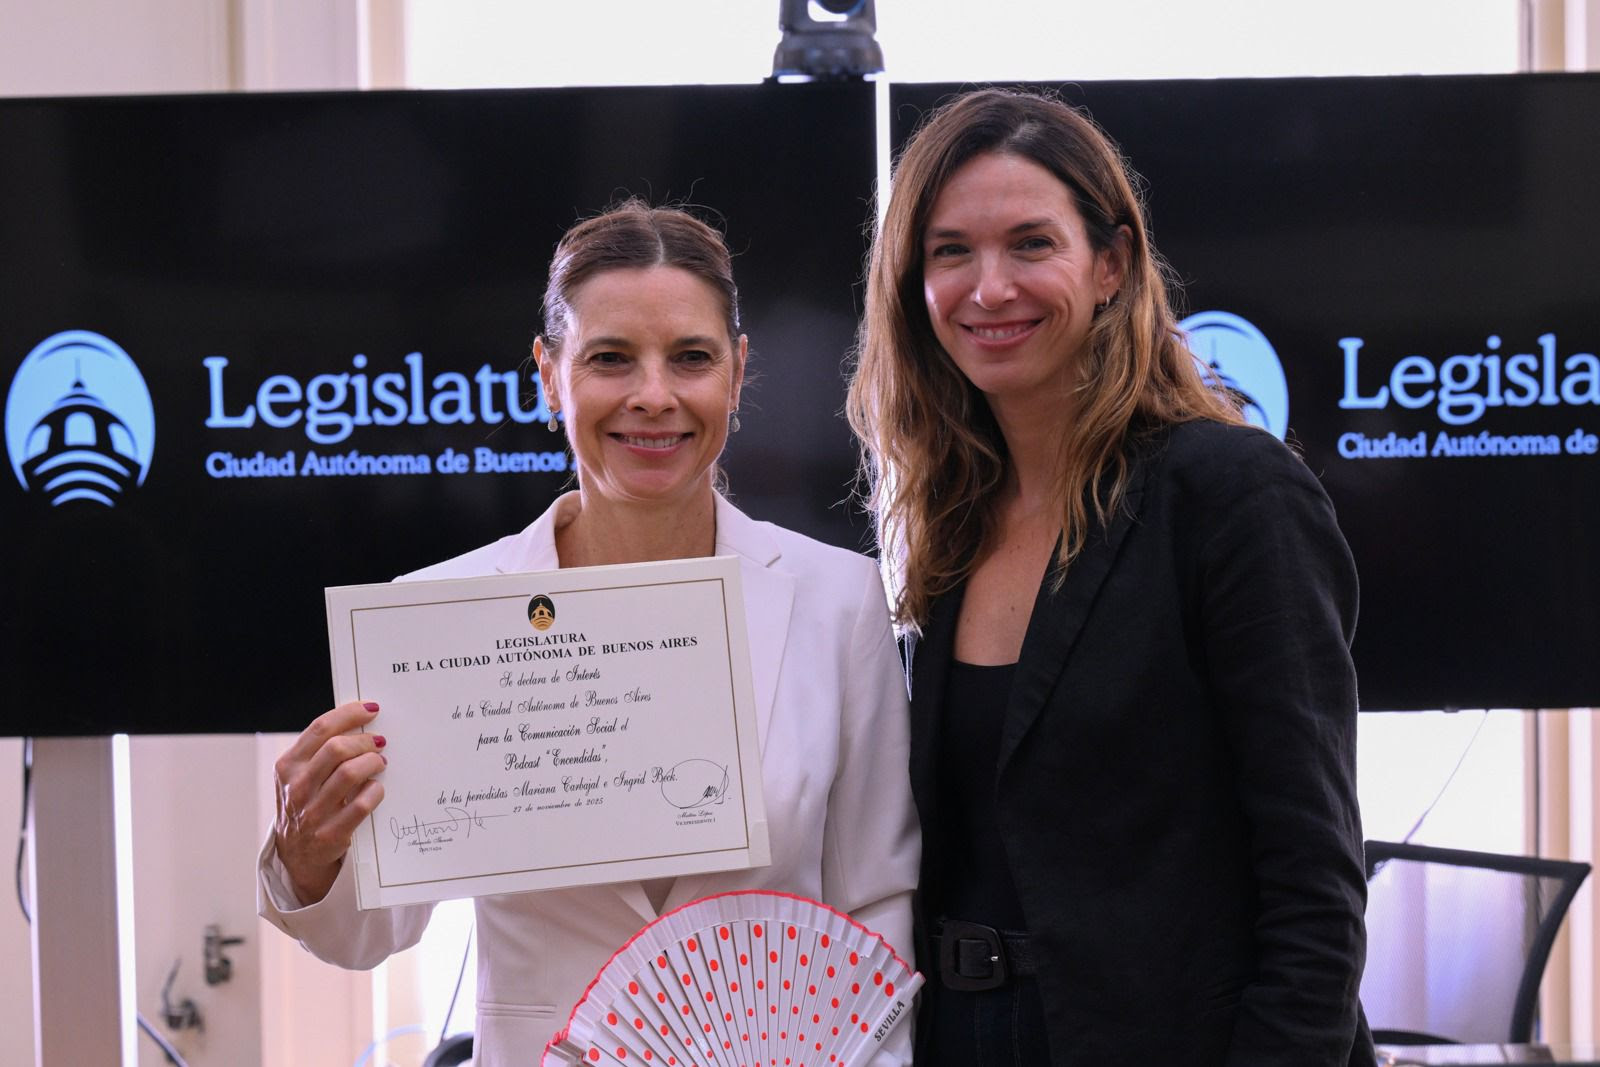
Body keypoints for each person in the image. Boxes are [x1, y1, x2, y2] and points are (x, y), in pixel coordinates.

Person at [260, 200, 919, 1067]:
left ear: (736, 372)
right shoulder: (437, 614)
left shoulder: (838, 601)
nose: (654, 395)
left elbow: (877, 902)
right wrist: (308, 849)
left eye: (691, 358)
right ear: (549, 375)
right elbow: (364, 932)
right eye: (610, 358)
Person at [846, 88, 1373, 1065]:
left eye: (1030, 244)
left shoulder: (1230, 493)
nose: (988, 287)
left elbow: (1315, 888)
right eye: (950, 251)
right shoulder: (950, 522)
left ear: (1112, 264)